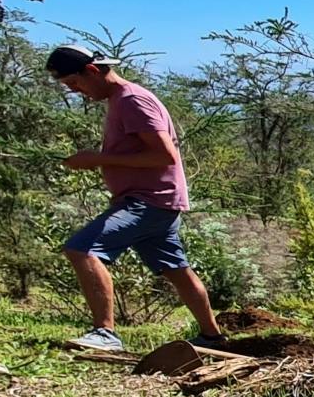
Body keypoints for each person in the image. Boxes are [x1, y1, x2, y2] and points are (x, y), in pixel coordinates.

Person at [47, 44, 226, 353]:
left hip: (148, 200)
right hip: (158, 201)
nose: (76, 91)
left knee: (82, 249)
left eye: (75, 83)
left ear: (91, 71)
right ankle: (211, 337)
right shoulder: (122, 100)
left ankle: (105, 333)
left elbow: (163, 156)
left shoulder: (132, 101)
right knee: (176, 270)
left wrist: (98, 159)